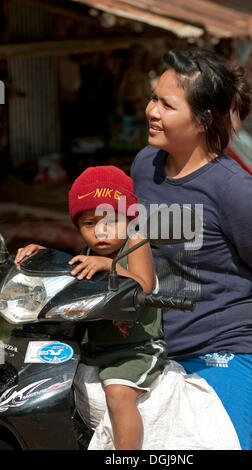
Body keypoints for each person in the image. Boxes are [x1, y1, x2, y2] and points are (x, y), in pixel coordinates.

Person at [130, 48, 252, 450]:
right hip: (154, 350)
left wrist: (250, 335)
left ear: (203, 120)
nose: (152, 110)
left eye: (167, 104)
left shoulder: (233, 188)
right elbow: (136, 247)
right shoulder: (144, 166)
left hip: (222, 359)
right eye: (154, 98)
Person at [14, 165, 168, 450]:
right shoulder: (89, 254)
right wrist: (40, 253)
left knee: (119, 395)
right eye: (88, 224)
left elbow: (144, 285)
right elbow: (65, 275)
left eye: (109, 221)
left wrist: (109, 266)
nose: (100, 231)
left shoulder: (136, 243)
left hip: (136, 349)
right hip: (97, 349)